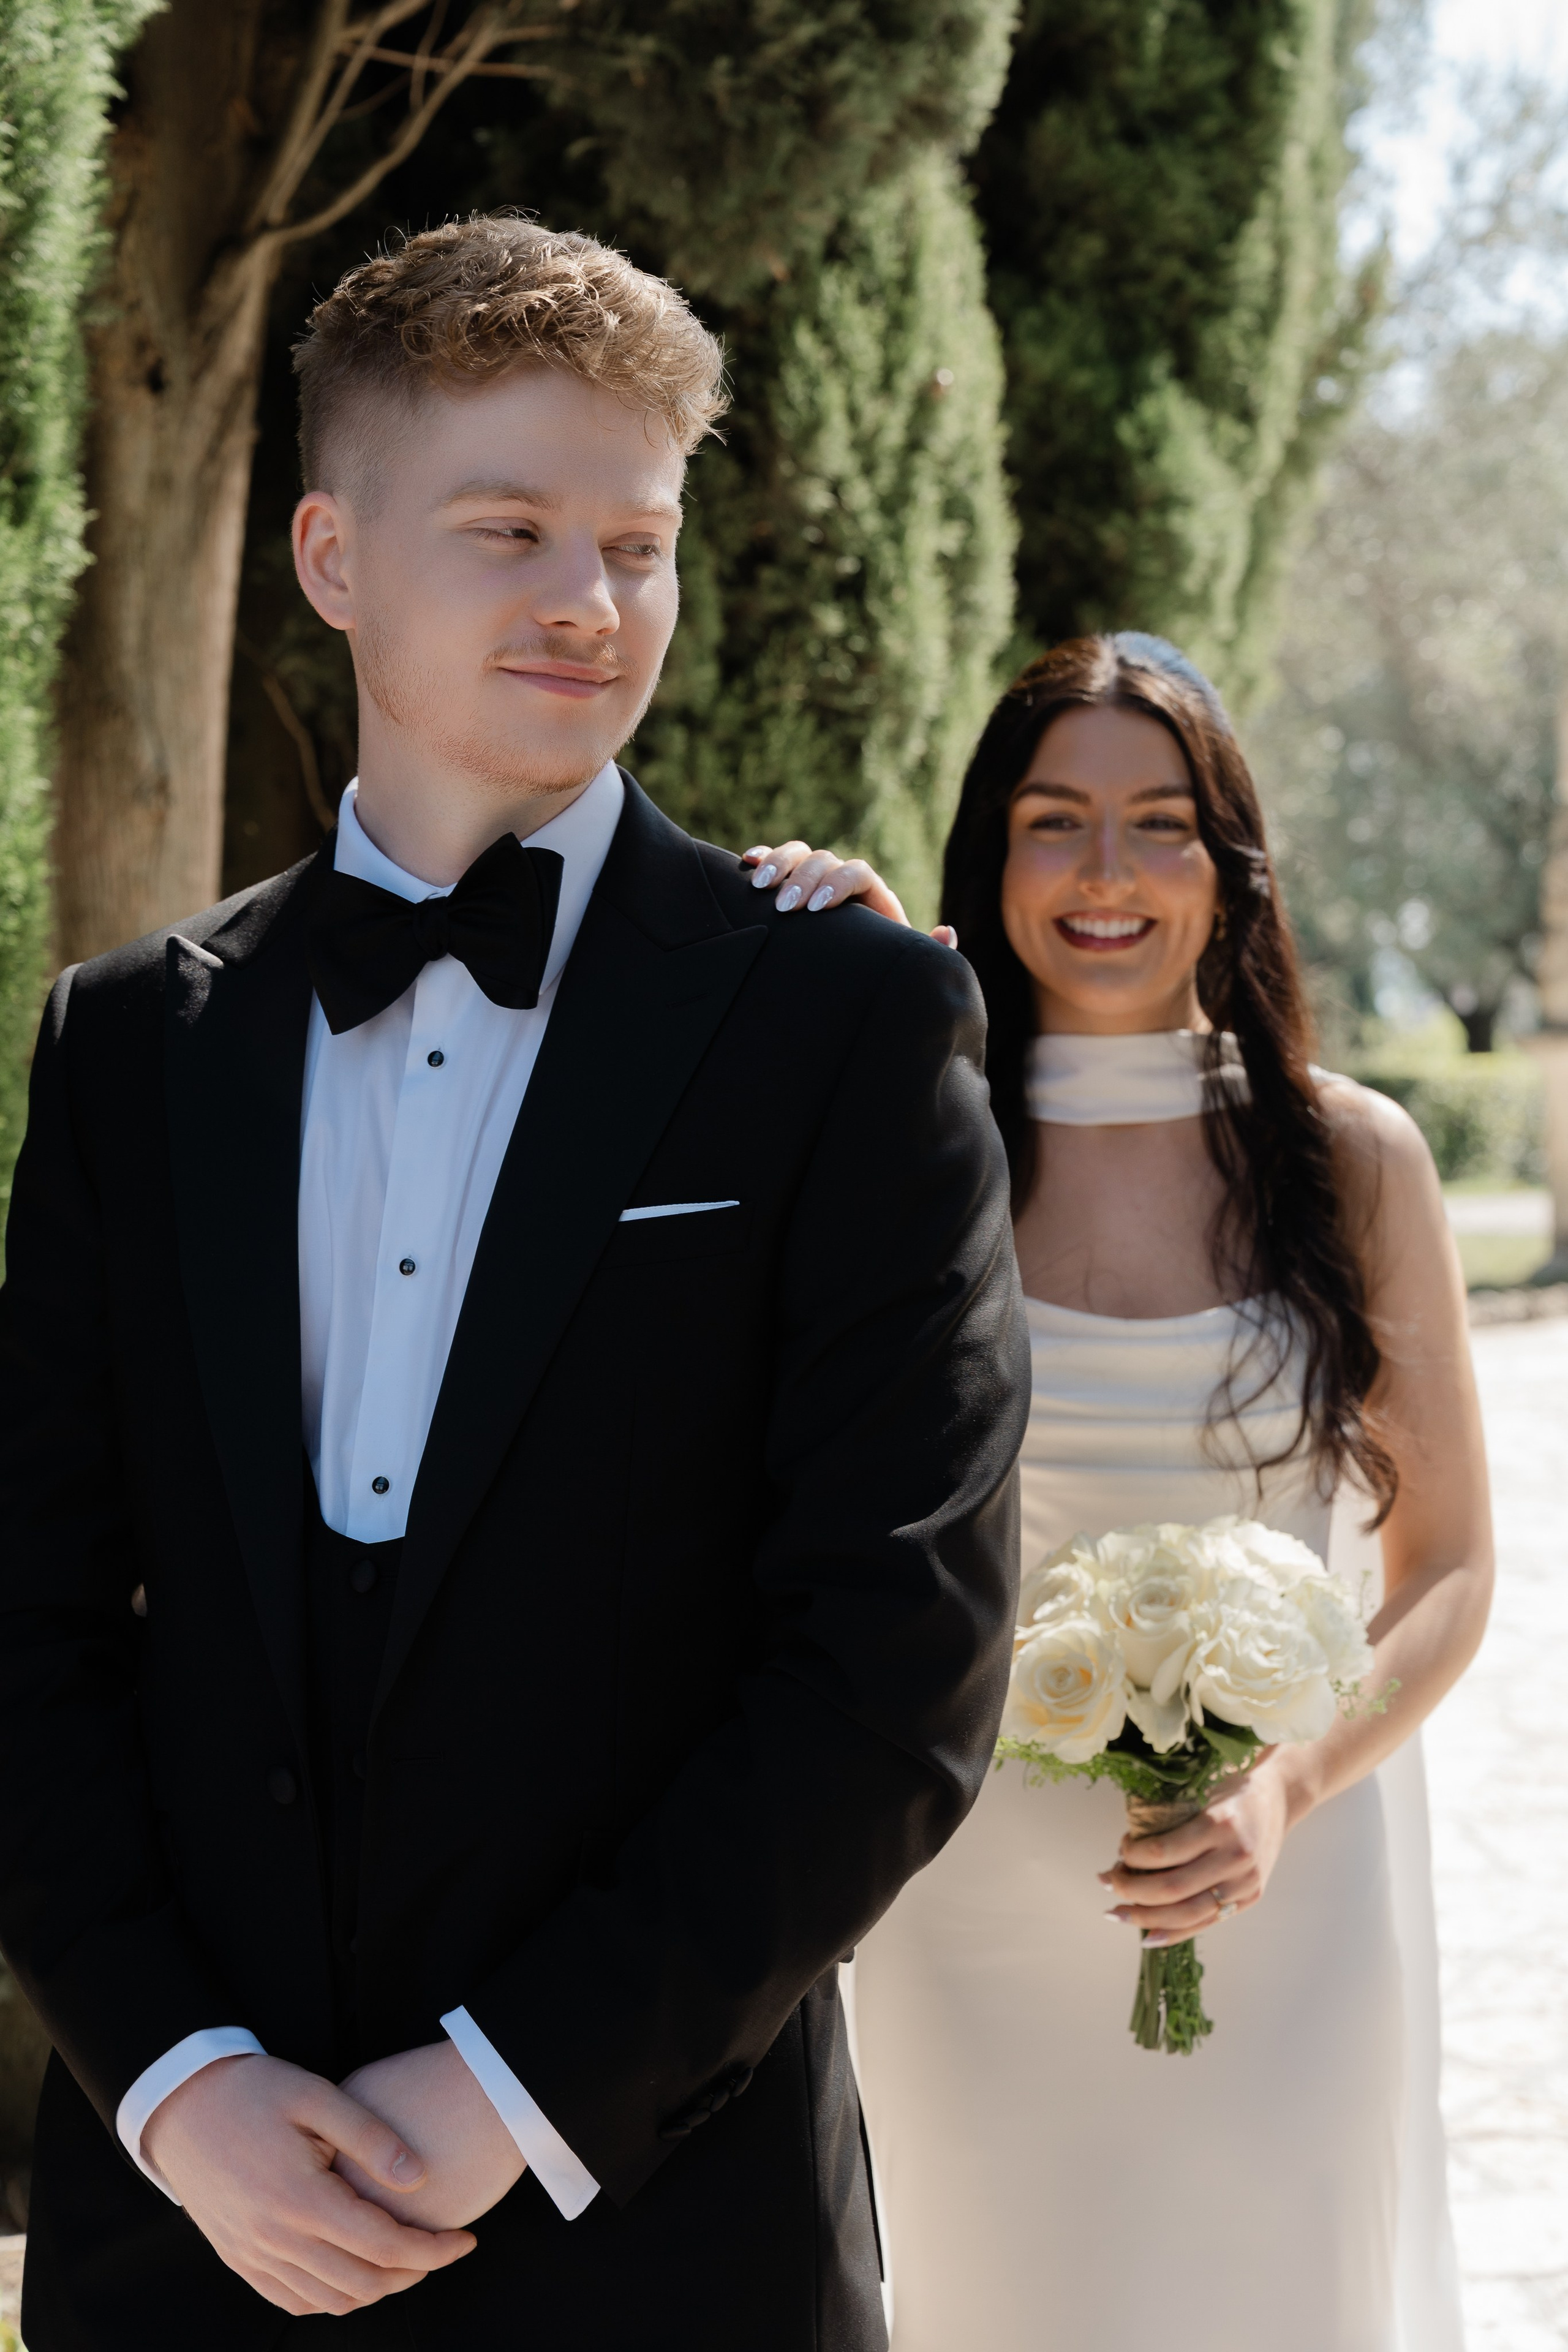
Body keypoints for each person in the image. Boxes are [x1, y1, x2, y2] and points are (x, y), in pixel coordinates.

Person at [0, 216, 1030, 2350]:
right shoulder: (130, 1045)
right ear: (332, 555)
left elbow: (895, 1656)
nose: (590, 599)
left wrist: (515, 2092)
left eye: (637, 542)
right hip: (187, 2236)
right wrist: (176, 2087)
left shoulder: (839, 1019)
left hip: (661, 2219)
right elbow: (24, 1620)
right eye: (509, 529)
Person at [742, 631, 1491, 2352]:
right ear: (989, 854)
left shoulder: (1354, 1157)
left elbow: (1451, 1568)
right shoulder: (918, 1140)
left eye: (1159, 825)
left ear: (1229, 867)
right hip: (973, 1891)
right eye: (1051, 820)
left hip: (1291, 1886)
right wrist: (864, 990)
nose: (1105, 874)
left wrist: (1288, 1791)